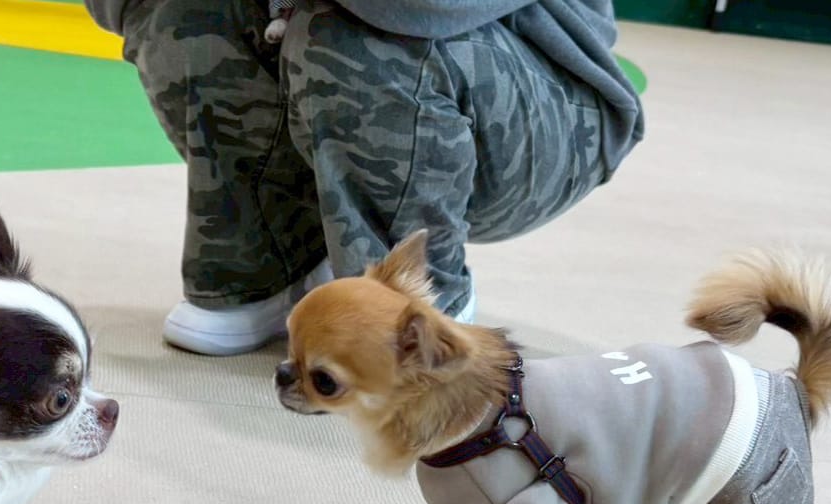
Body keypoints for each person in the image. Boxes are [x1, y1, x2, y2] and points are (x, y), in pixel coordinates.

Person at [86, 0, 644, 355]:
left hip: (550, 108)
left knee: (352, 31)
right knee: (184, 9)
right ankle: (270, 259)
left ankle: (417, 295)